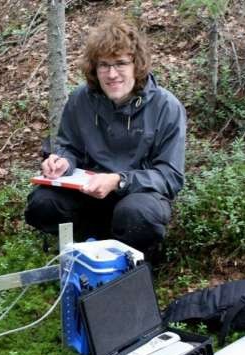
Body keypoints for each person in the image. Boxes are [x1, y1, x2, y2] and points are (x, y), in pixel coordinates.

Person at [24, 15, 186, 257]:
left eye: (120, 63)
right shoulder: (81, 99)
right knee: (42, 203)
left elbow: (170, 176)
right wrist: (63, 162)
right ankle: (78, 252)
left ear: (137, 65)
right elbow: (69, 147)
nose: (112, 74)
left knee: (136, 214)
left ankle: (135, 264)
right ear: (94, 68)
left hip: (137, 196)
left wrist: (120, 180)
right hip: (88, 193)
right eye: (104, 65)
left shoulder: (166, 107)